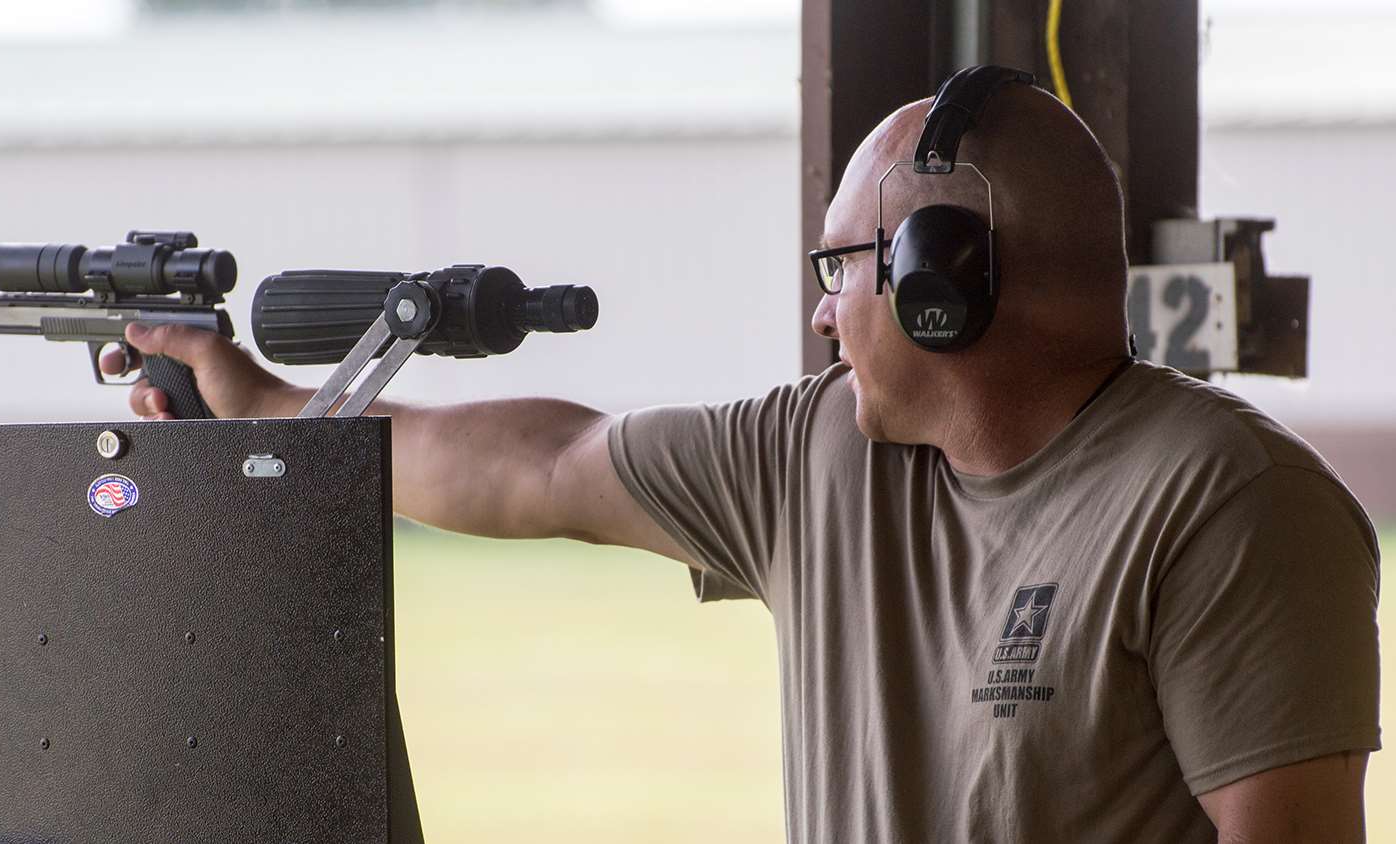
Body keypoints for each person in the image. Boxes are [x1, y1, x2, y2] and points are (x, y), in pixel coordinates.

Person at [104, 79, 1380, 842]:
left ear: (945, 284)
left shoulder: (1230, 505)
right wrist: (262, 407)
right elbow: (539, 466)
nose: (823, 312)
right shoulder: (817, 447)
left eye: (840, 271)